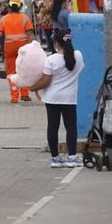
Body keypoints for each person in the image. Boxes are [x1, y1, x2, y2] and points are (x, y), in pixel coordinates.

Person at [31, 32, 84, 167]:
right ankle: (72, 157)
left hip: (52, 98)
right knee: (71, 127)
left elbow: (46, 80)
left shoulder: (51, 59)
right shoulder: (78, 56)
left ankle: (55, 158)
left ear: (56, 43)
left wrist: (33, 87)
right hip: (69, 98)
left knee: (53, 127)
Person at [0, 0, 35, 103]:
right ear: (20, 6)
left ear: (9, 6)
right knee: (24, 70)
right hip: (23, 48)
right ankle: (25, 94)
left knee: (11, 71)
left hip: (9, 47)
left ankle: (14, 96)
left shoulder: (3, 19)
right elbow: (30, 34)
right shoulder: (25, 18)